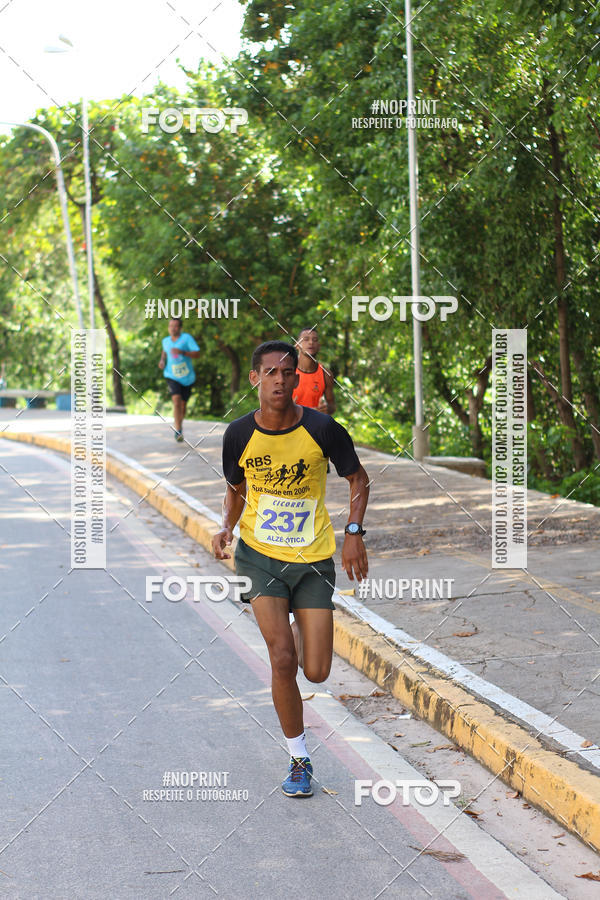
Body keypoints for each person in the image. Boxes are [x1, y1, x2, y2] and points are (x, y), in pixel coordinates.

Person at [212, 341, 369, 797]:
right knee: (282, 658)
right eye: (271, 372)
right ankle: (299, 758)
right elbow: (236, 489)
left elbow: (357, 480)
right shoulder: (238, 434)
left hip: (313, 559)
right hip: (260, 558)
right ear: (255, 379)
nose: (280, 380)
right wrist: (225, 525)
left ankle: (300, 625)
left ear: (298, 379)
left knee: (316, 670)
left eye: (287, 372)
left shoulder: (323, 429)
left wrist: (355, 532)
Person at [158, 317, 200, 442]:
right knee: (176, 401)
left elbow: (197, 354)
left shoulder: (187, 338)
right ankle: (178, 430)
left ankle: (179, 426)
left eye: (175, 326)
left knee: (183, 404)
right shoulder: (165, 340)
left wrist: (182, 352)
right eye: (170, 326)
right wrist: (162, 360)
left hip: (187, 377)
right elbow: (165, 351)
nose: (172, 328)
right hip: (171, 375)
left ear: (180, 328)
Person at [293, 327, 336, 414]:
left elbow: (332, 405)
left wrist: (326, 409)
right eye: (306, 339)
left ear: (319, 346)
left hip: (314, 425)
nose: (311, 342)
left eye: (315, 340)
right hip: (290, 425)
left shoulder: (325, 374)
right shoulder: (287, 371)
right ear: (297, 345)